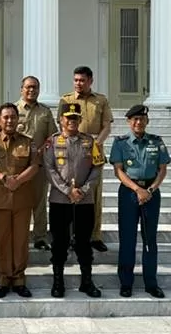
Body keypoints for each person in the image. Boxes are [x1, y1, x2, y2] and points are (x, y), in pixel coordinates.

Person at [109, 104, 171, 299]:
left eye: (142, 119)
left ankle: (151, 283)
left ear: (147, 121)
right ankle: (126, 283)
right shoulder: (120, 143)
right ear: (129, 122)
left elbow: (162, 169)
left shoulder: (157, 141)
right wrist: (137, 190)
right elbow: (118, 170)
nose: (138, 122)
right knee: (127, 239)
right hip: (129, 192)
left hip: (151, 192)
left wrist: (150, 190)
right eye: (134, 119)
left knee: (149, 240)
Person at [44, 103, 105, 298]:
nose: (71, 121)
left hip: (84, 201)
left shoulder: (90, 142)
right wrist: (67, 190)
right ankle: (58, 281)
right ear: (61, 120)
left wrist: (83, 190)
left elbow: (97, 168)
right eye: (68, 117)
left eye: (75, 118)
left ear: (80, 120)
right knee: (59, 243)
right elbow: (49, 168)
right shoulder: (52, 142)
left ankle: (86, 281)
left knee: (84, 243)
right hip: (60, 200)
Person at [0, 103, 39, 299]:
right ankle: (3, 279)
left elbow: (34, 166)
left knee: (21, 241)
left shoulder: (28, 142)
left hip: (22, 198)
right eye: (5, 117)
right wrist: (4, 178)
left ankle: (19, 279)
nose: (9, 120)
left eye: (13, 117)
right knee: (2, 240)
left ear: (18, 119)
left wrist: (18, 180)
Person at [59, 65, 113, 252]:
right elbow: (62, 125)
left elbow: (107, 125)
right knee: (71, 191)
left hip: (94, 150)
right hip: (71, 150)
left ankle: (95, 236)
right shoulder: (66, 99)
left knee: (94, 194)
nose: (78, 84)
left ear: (90, 81)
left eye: (82, 80)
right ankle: (73, 235)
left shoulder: (101, 101)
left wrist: (96, 143)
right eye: (75, 80)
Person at [15, 76, 57, 250]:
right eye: (28, 87)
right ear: (21, 89)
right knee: (19, 202)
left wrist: (43, 149)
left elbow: (53, 136)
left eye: (35, 87)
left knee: (39, 201)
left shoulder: (45, 112)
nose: (31, 90)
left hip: (38, 165)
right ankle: (19, 235)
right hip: (16, 165)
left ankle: (40, 237)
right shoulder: (13, 110)